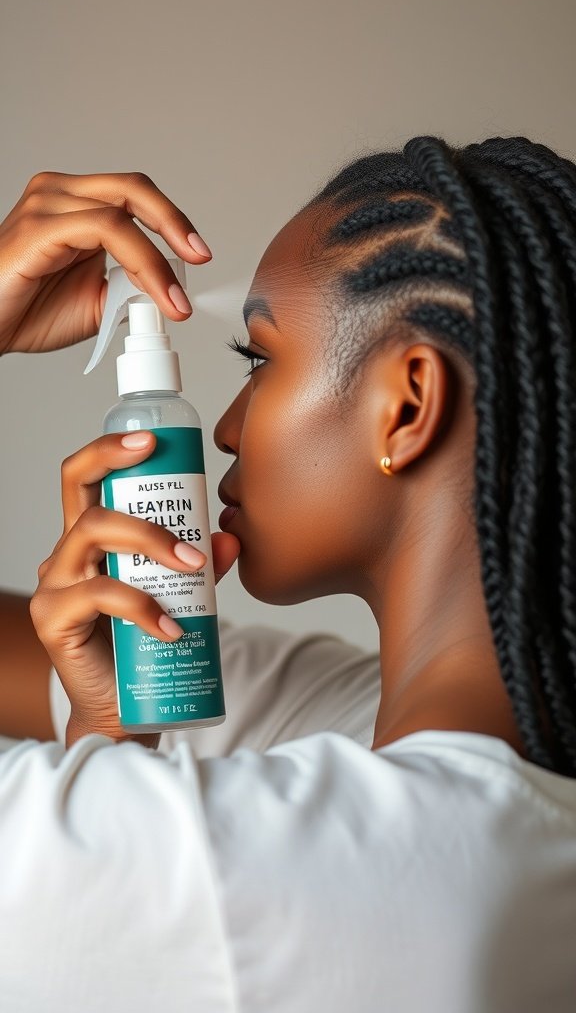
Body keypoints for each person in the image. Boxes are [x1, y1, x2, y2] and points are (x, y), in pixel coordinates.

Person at [1, 140, 576, 1011]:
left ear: (408, 406)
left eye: (259, 360)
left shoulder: (250, 866)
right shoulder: (387, 725)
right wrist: (110, 725)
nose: (226, 429)